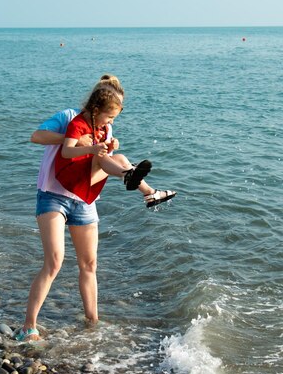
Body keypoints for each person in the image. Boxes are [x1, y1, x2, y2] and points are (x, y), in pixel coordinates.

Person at [16, 75, 175, 341]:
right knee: (54, 262)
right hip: (53, 195)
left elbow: (101, 155)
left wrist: (109, 145)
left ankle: (93, 322)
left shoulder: (105, 127)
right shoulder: (69, 118)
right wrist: (77, 140)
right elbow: (36, 136)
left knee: (89, 265)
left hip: (85, 198)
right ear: (96, 106)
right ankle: (28, 327)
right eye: (110, 115)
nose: (112, 121)